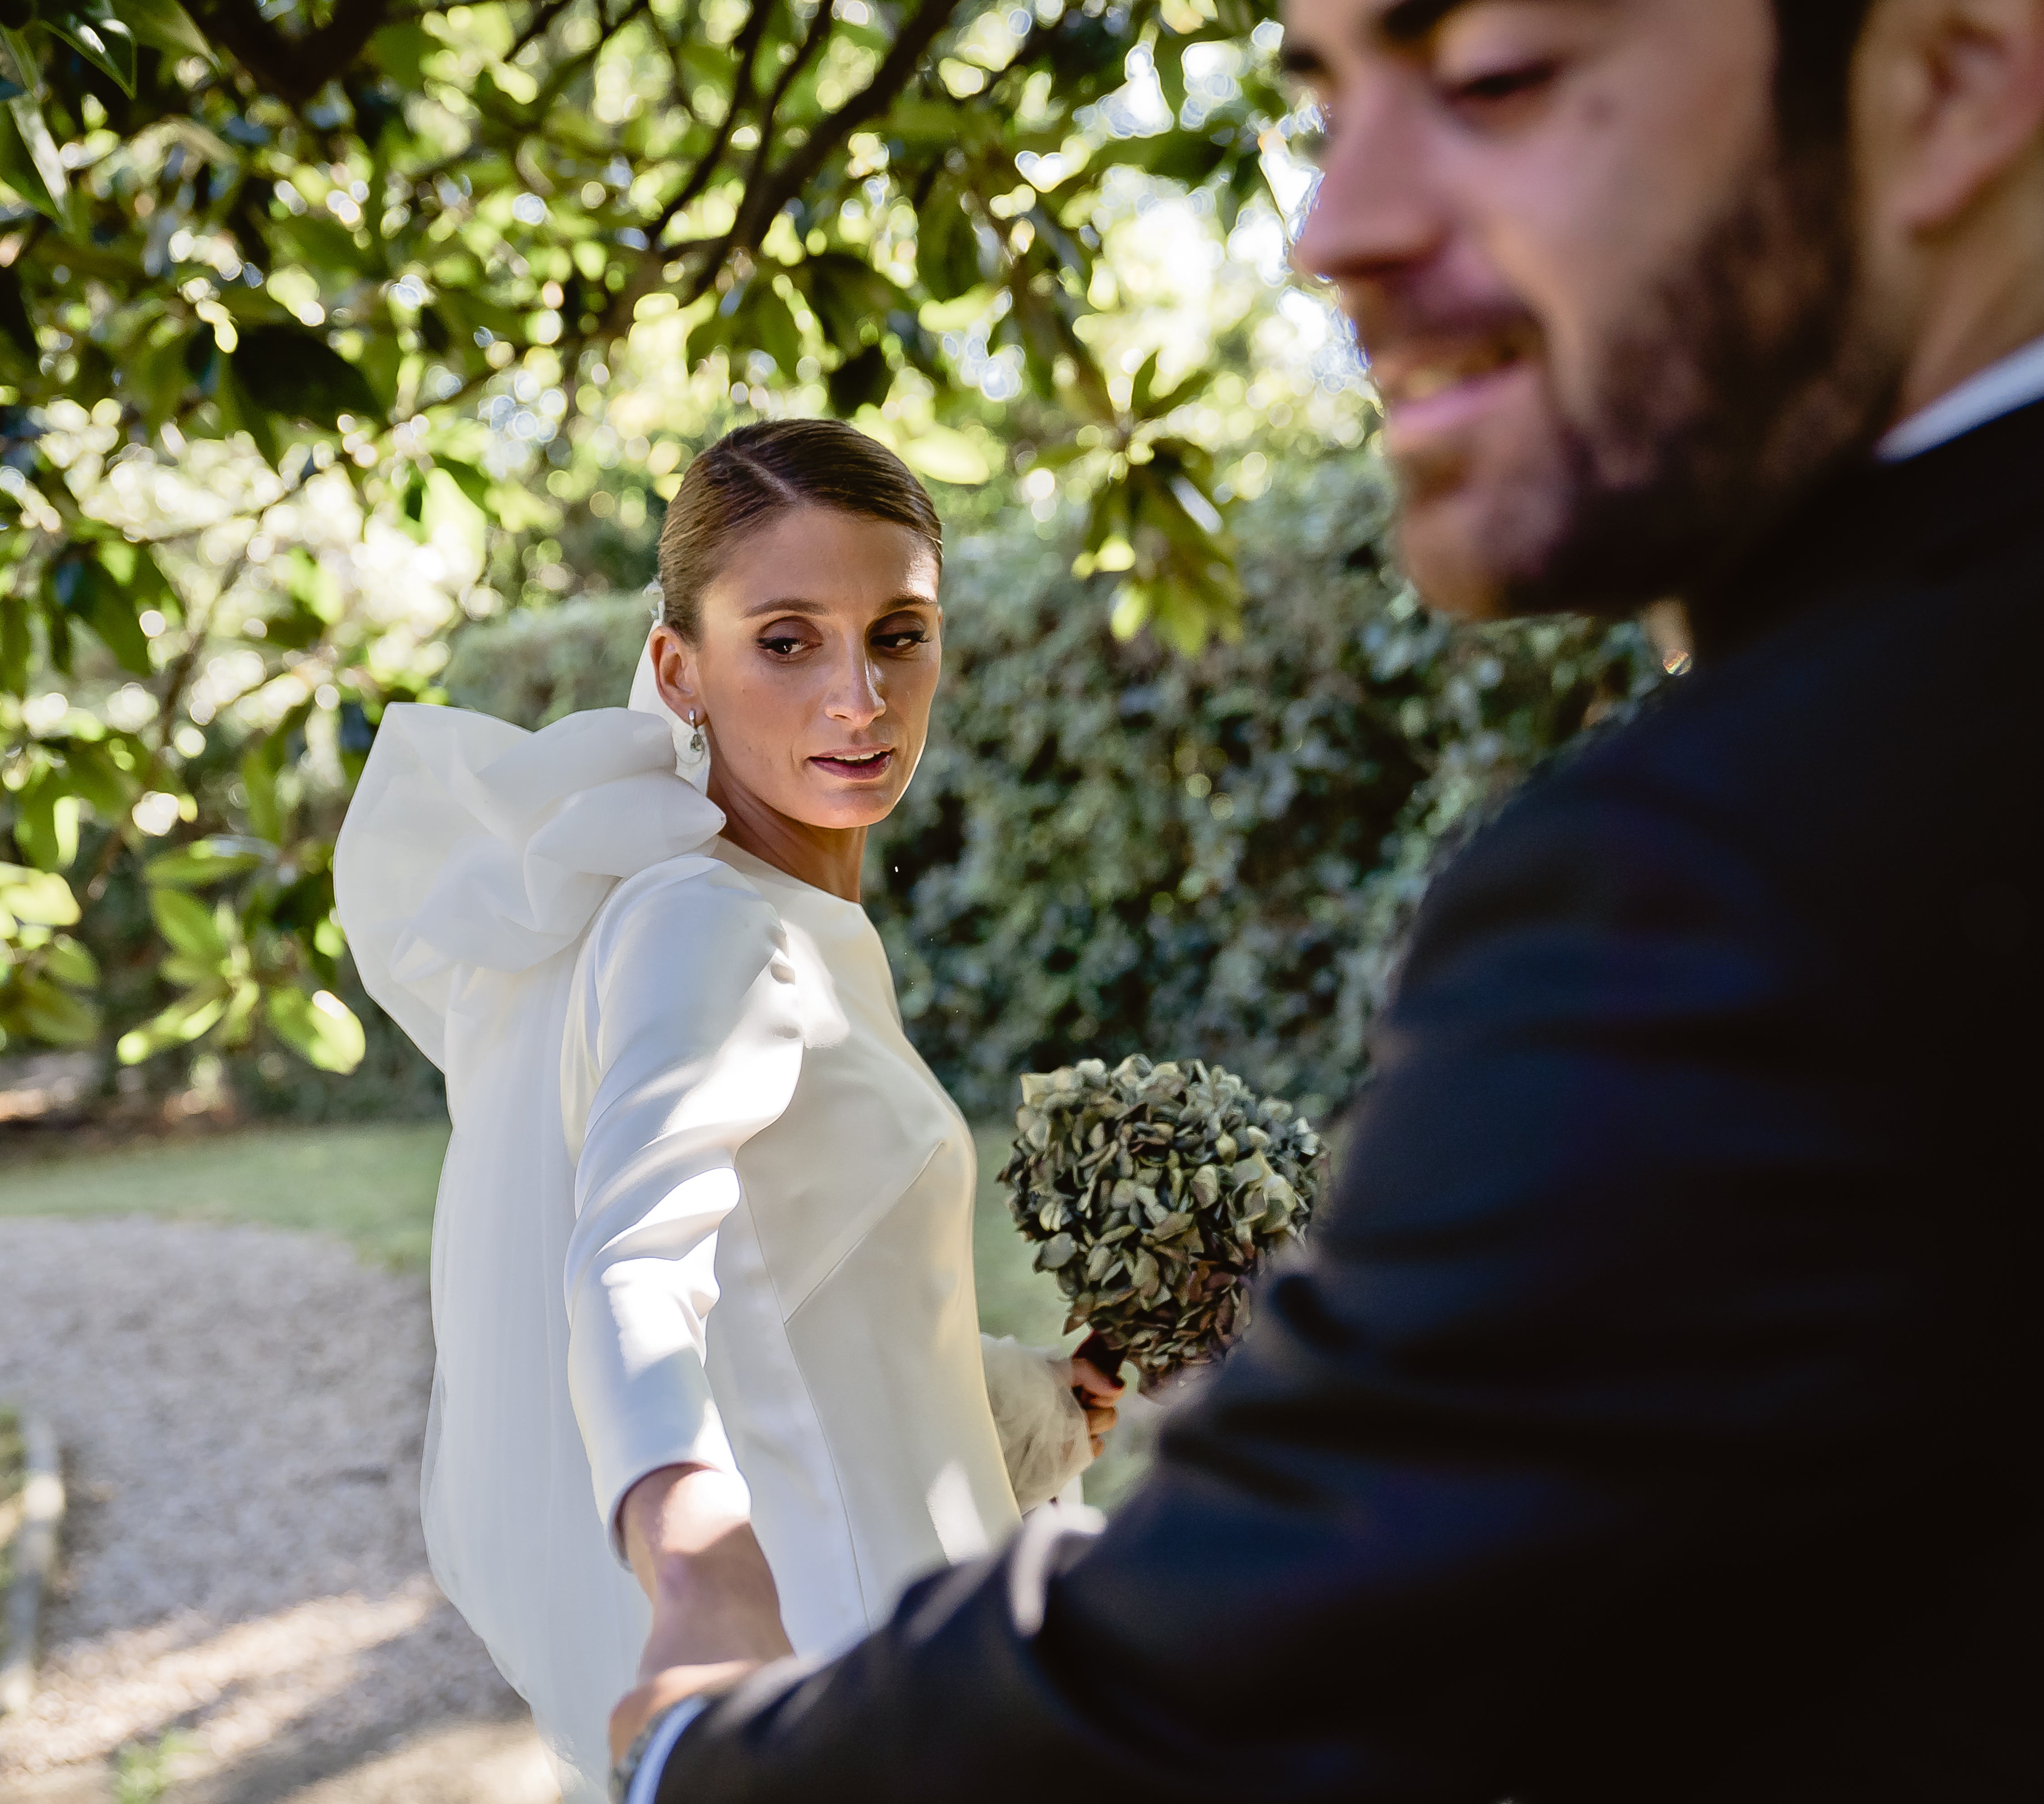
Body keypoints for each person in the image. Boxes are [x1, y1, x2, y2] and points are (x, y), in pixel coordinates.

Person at [609, 1, 2043, 1798]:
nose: (1327, 230)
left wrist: (689, 1745)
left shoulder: (1745, 866)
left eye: (1493, 77)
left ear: (1953, 74)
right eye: (1324, 99)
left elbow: (1241, 1664)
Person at [332, 419, 1121, 1799]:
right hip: (838, 1661)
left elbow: (802, 1312)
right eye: (787, 640)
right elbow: (633, 1262)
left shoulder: (794, 925)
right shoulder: (703, 923)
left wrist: (1039, 1398)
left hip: (931, 1621)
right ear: (677, 671)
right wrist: (698, 1573)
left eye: (899, 633)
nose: (860, 698)